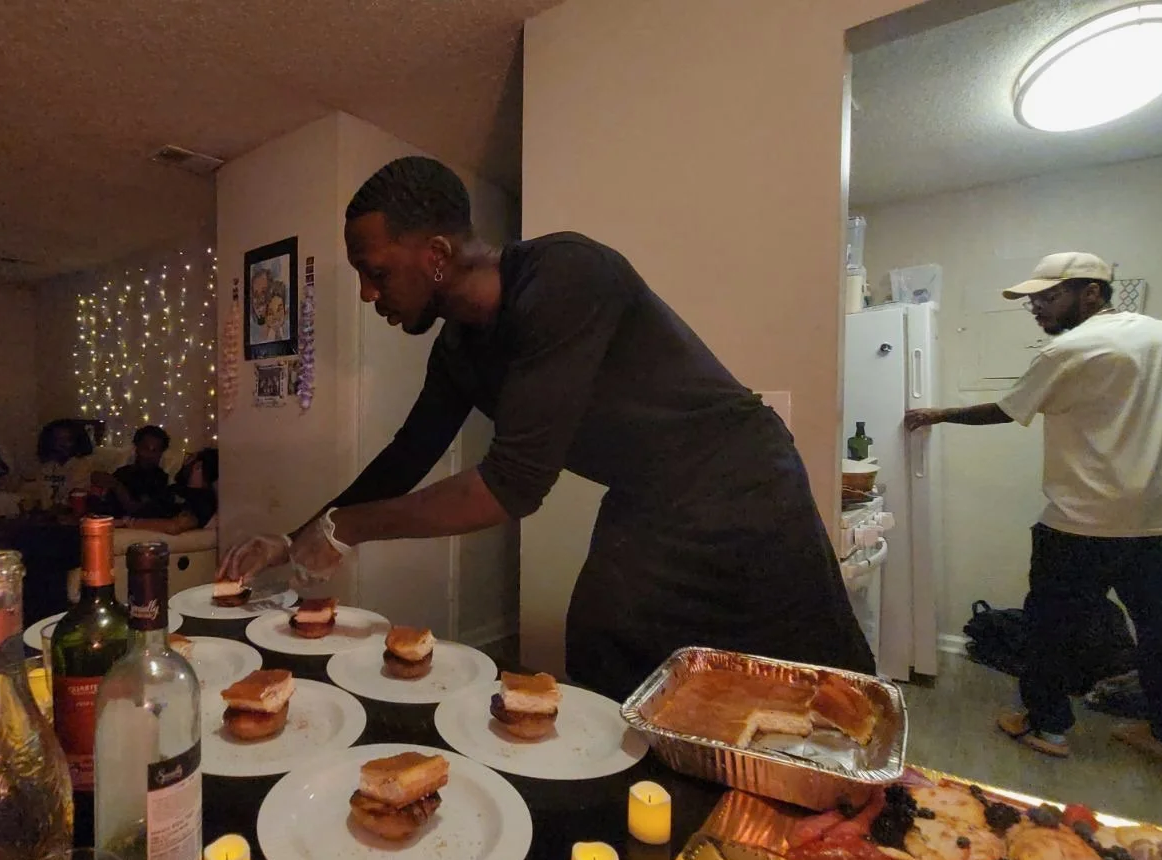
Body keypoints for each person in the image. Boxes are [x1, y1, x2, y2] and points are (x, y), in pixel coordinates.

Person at [218, 156, 874, 700]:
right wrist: (296, 535)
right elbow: (406, 456)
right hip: (647, 494)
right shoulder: (457, 350)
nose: (368, 293)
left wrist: (349, 528)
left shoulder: (567, 274)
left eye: (376, 272)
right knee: (603, 648)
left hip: (742, 474)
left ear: (437, 255)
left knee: (811, 681)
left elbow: (513, 485)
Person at [905, 252, 1162, 768]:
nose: (1038, 307)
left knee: (1051, 627)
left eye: (1049, 297)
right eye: (1033, 300)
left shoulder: (1069, 349)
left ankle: (1048, 726)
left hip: (1085, 519)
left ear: (1092, 292)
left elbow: (1006, 409)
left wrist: (938, 414)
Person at [119, 447, 219, 535]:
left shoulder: (202, 499)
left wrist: (128, 522)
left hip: (135, 532)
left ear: (198, 466)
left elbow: (176, 525)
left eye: (189, 458)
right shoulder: (175, 489)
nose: (184, 462)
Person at [98, 424, 171, 515]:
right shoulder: (121, 474)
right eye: (145, 448)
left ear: (161, 453)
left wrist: (118, 487)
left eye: (155, 450)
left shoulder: (162, 480)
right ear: (137, 448)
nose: (149, 455)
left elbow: (142, 511)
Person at [25, 418, 95, 510]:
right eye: (57, 440)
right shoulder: (45, 466)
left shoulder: (85, 465)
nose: (61, 444)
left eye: (68, 440)